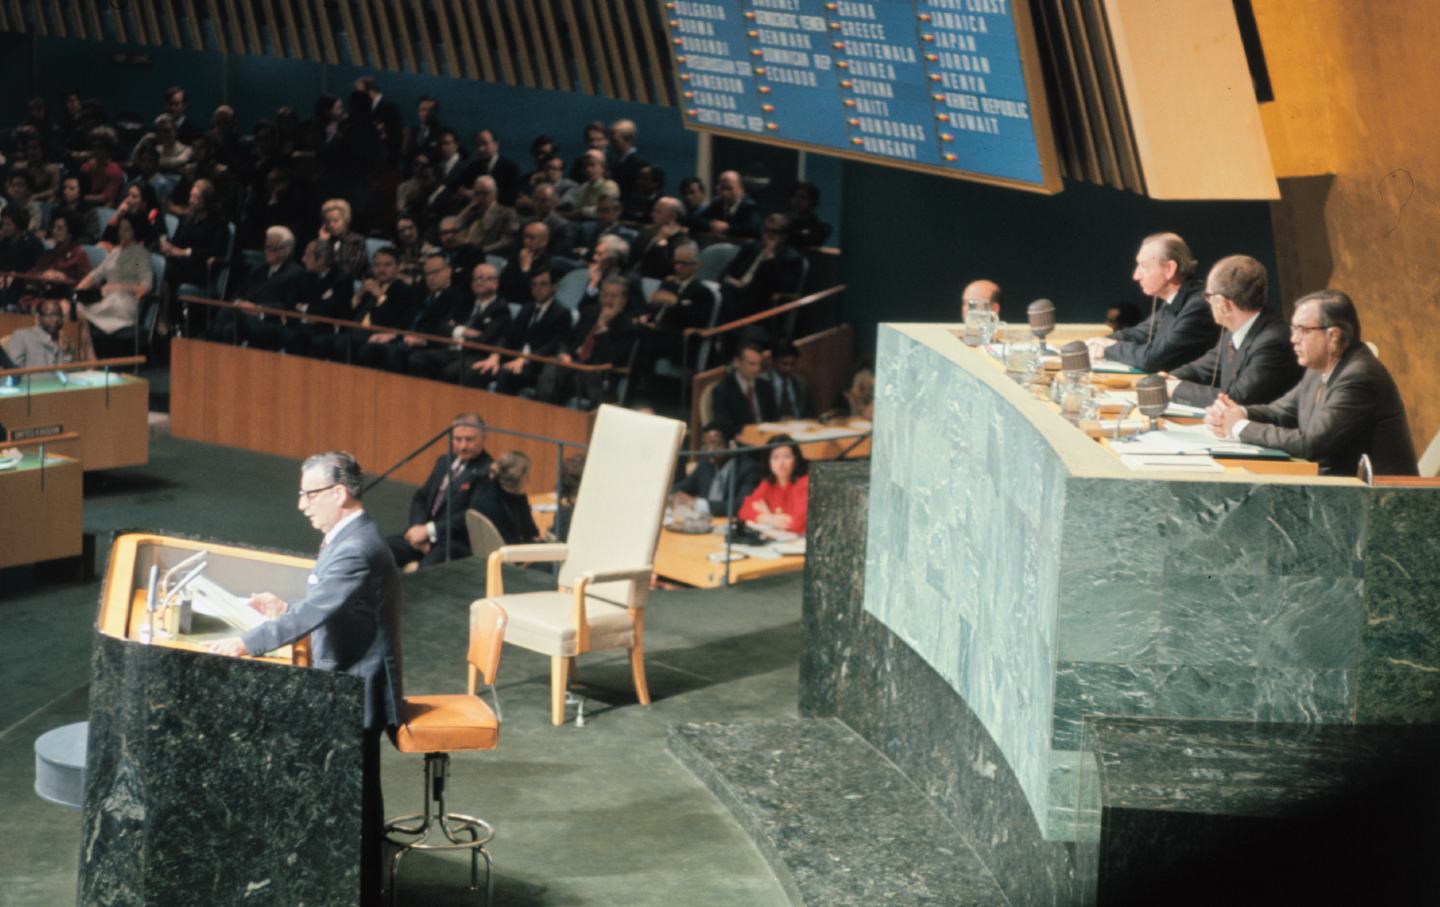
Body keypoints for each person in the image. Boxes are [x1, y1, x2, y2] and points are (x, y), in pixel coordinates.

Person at [207, 450, 403, 907]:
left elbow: (318, 609)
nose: (301, 504)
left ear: (339, 493)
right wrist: (285, 612)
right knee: (353, 795)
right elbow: (330, 606)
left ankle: (364, 890)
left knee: (358, 800)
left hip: (358, 686)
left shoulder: (356, 544)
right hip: (344, 672)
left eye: (309, 494)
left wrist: (245, 643)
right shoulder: (346, 534)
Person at [1206, 290, 1418, 476]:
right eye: (1293, 329)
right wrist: (1238, 413)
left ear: (1333, 336)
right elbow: (1281, 412)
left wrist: (1239, 427)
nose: (1293, 339)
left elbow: (1311, 444)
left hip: (1380, 503)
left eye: (1303, 330)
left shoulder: (1359, 377)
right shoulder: (1319, 369)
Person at [1165, 255, 1302, 407]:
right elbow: (1201, 369)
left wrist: (1176, 389)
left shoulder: (1274, 341)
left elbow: (1236, 399)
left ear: (1223, 304)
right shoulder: (1233, 331)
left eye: (1208, 296)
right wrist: (1168, 378)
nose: (1207, 302)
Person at [1086, 233, 1218, 372]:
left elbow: (1154, 359)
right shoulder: (1174, 300)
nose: (1136, 276)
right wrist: (1096, 342)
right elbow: (1138, 334)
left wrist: (1108, 347)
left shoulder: (1199, 305)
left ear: (1169, 269)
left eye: (1143, 266)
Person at [387, 414, 495, 568]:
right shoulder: (444, 462)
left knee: (425, 573)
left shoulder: (487, 471)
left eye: (469, 440)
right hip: (423, 536)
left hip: (453, 542)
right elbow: (421, 498)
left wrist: (429, 531)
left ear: (483, 438)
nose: (463, 446)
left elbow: (469, 517)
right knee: (381, 551)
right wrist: (418, 528)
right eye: (458, 439)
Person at [469, 268, 570, 393]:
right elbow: (508, 336)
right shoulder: (527, 308)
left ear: (554, 287)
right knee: (478, 370)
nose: (537, 288)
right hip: (513, 359)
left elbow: (553, 345)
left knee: (506, 374)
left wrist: (524, 359)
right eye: (534, 284)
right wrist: (495, 355)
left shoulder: (562, 313)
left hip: (536, 366)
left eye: (543, 283)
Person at [208, 226, 307, 350]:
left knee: (234, 328)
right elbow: (241, 291)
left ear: (287, 250)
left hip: (268, 317)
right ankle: (209, 351)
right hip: (244, 313)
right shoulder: (258, 269)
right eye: (267, 247)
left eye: (273, 249)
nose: (267, 252)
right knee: (224, 314)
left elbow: (289, 304)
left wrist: (258, 308)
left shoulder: (295, 273)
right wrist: (239, 302)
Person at [75, 212, 153, 359]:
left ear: (135, 231)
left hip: (124, 303)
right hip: (106, 299)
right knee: (77, 306)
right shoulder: (115, 251)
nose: (121, 233)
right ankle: (88, 357)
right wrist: (80, 287)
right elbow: (97, 274)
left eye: (127, 229)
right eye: (120, 229)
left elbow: (146, 286)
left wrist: (115, 287)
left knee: (82, 315)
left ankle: (88, 358)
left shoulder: (140, 255)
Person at [671, 422, 762, 518]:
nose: (709, 450)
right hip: (702, 522)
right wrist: (677, 495)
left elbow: (740, 506)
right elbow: (681, 487)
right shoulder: (704, 465)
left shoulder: (748, 469)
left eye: (714, 443)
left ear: (731, 445)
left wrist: (697, 504)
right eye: (706, 444)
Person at [738, 435, 810, 533]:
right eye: (775, 457)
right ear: (769, 462)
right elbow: (743, 511)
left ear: (796, 460)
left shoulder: (804, 483)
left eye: (786, 456)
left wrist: (766, 515)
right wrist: (771, 518)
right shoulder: (768, 484)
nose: (781, 463)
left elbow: (797, 524)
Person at [469, 451, 541, 545]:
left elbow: (531, 533)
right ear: (522, 478)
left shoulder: (511, 494)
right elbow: (516, 541)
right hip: (503, 554)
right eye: (527, 475)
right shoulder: (492, 504)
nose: (529, 480)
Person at [710, 340, 777, 437]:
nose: (757, 369)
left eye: (759, 364)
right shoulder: (722, 390)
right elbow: (725, 426)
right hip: (741, 443)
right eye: (752, 364)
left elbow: (774, 418)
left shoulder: (765, 386)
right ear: (737, 362)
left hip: (768, 439)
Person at [3, 299, 71, 367]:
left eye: (58, 315)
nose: (55, 319)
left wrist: (66, 352)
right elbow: (13, 370)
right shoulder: (22, 337)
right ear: (38, 317)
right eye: (50, 315)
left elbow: (70, 372)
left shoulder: (65, 341)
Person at [699, 170, 761, 241]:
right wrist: (711, 224)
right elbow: (697, 220)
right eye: (722, 188)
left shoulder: (750, 206)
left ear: (741, 189)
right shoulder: (717, 203)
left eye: (729, 188)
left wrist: (727, 228)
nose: (724, 192)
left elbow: (753, 230)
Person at [768, 341, 812, 419]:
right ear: (774, 362)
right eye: (784, 364)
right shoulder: (763, 383)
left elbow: (809, 413)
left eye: (792, 364)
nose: (788, 368)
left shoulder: (801, 383)